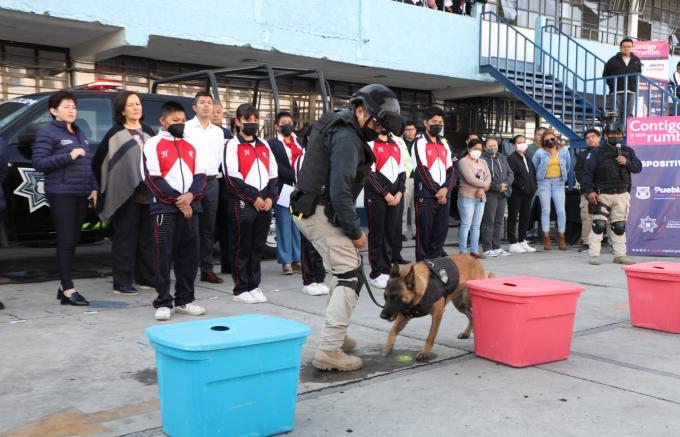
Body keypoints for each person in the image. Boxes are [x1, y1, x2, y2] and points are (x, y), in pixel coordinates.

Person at [291, 83, 402, 371]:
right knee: (350, 276)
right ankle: (330, 349)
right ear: (360, 109)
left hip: (313, 208)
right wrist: (355, 231)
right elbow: (340, 190)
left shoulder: (342, 126)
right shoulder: (346, 138)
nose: (378, 130)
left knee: (342, 273)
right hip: (321, 211)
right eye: (377, 122)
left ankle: (335, 337)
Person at [32, 90, 98, 306]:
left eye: (74, 107)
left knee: (72, 241)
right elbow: (39, 163)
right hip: (61, 194)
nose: (72, 110)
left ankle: (64, 287)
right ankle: (69, 290)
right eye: (66, 107)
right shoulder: (48, 132)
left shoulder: (78, 131)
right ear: (54, 111)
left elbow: (87, 162)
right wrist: (68, 155)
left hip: (80, 193)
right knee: (66, 241)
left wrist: (93, 187)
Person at [144, 101, 207, 321]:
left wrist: (190, 197)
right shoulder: (152, 144)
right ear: (163, 121)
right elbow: (153, 178)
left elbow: (201, 176)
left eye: (182, 121)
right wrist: (178, 202)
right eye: (174, 121)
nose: (179, 125)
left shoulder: (192, 144)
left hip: (191, 207)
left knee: (189, 257)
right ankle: (163, 301)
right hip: (164, 209)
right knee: (163, 256)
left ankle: (185, 300)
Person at [93, 91, 156, 296]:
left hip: (148, 194)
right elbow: (99, 163)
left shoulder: (149, 132)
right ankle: (121, 283)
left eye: (138, 104)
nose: (136, 108)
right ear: (122, 110)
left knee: (147, 239)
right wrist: (99, 189)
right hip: (124, 195)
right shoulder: (114, 134)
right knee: (125, 239)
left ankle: (146, 278)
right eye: (131, 105)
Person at [224, 103, 278, 304]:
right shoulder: (232, 145)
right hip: (244, 202)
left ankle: (254, 285)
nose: (252, 124)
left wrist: (271, 197)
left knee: (257, 247)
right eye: (248, 121)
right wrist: (253, 198)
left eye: (255, 120)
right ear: (238, 122)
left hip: (265, 202)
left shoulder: (264, 144)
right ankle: (240, 288)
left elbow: (274, 174)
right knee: (241, 247)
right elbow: (232, 177)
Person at [582, 117, 641, 265]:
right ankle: (594, 255)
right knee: (599, 224)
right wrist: (589, 191)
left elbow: (638, 167)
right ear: (606, 136)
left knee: (619, 226)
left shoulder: (628, 151)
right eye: (612, 134)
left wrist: (626, 162)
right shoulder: (597, 152)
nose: (616, 136)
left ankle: (620, 255)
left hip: (622, 194)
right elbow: (587, 173)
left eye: (619, 134)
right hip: (602, 194)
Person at [184, 92, 225, 284]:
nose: (206, 106)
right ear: (194, 107)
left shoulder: (218, 132)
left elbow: (219, 158)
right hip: (191, 182)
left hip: (211, 182)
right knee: (189, 227)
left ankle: (207, 269)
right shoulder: (186, 128)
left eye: (209, 103)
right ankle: (187, 268)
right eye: (202, 103)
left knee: (208, 228)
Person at [413, 106, 456, 261]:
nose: (437, 124)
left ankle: (436, 264)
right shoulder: (419, 143)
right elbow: (422, 170)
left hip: (444, 195)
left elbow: (451, 170)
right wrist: (437, 191)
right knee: (424, 234)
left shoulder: (444, 144)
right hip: (426, 195)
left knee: (440, 232)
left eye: (440, 122)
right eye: (434, 122)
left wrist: (445, 189)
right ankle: (423, 266)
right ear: (426, 123)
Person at [365, 129, 405, 288]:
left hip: (395, 196)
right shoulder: (370, 144)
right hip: (376, 197)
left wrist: (400, 192)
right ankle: (376, 272)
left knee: (390, 233)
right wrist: (385, 193)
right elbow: (369, 173)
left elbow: (402, 172)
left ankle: (387, 270)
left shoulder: (397, 144)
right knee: (377, 234)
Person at [268, 111, 303, 275]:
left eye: (289, 121)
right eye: (283, 122)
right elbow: (274, 165)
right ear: (276, 126)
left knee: (298, 224)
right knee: (284, 224)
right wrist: (293, 175)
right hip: (283, 188)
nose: (287, 124)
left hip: (300, 189)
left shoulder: (299, 141)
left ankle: (297, 259)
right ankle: (286, 261)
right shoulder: (273, 143)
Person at [293, 148, 329, 296]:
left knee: (321, 243)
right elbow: (299, 181)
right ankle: (309, 280)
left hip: (323, 204)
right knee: (308, 243)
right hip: (307, 204)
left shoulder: (327, 156)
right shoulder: (303, 158)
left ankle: (320, 278)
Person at [532, 129, 571, 251]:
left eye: (552, 139)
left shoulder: (564, 151)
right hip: (544, 183)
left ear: (556, 138)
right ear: (543, 141)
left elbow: (568, 166)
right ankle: (546, 237)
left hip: (559, 183)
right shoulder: (539, 152)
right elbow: (534, 167)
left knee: (561, 211)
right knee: (546, 210)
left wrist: (562, 178)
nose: (550, 141)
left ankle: (561, 237)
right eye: (547, 140)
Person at [457, 138, 491, 258]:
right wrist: (486, 185)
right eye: (474, 149)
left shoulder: (483, 161)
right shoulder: (463, 162)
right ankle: (463, 251)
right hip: (467, 197)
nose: (477, 151)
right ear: (468, 148)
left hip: (481, 197)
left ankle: (474, 250)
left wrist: (483, 188)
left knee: (476, 225)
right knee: (466, 225)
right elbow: (470, 178)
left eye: (480, 149)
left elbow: (488, 177)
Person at [480, 136, 514, 257]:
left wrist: (507, 183)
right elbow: (484, 176)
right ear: (484, 147)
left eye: (495, 145)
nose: (493, 148)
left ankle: (497, 246)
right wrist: (496, 186)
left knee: (498, 221)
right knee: (489, 220)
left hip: (503, 193)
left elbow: (510, 173)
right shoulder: (482, 159)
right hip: (491, 193)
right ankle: (487, 247)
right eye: (490, 146)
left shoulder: (502, 158)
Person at [506, 134, 537, 254]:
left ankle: (522, 240)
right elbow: (511, 176)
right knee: (513, 217)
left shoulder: (527, 157)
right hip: (516, 193)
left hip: (529, 193)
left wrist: (534, 187)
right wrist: (522, 187)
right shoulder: (511, 158)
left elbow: (532, 173)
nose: (522, 144)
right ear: (514, 145)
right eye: (519, 142)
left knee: (525, 217)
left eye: (524, 142)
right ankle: (513, 242)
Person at [212, 100, 233, 275]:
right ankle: (205, 266)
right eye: (214, 111)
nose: (217, 114)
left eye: (220, 112)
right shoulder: (203, 133)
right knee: (209, 226)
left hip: (226, 184)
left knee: (227, 225)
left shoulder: (228, 134)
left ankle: (228, 263)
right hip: (210, 181)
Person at [575, 128, 602, 252]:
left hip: (605, 190)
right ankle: (586, 242)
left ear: (599, 137)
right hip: (587, 191)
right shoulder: (582, 155)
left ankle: (613, 243)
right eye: (587, 138)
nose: (590, 139)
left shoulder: (605, 152)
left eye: (593, 136)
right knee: (587, 217)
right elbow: (579, 173)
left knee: (610, 218)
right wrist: (588, 189)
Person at [602, 38, 641, 119]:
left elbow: (638, 73)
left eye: (629, 46)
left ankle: (626, 131)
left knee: (629, 114)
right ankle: (617, 131)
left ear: (632, 48)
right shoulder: (612, 60)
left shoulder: (636, 60)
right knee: (616, 114)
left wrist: (633, 85)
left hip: (631, 91)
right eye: (624, 46)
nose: (626, 48)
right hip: (616, 91)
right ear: (620, 48)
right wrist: (612, 85)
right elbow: (605, 75)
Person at [400, 121, 418, 241]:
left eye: (412, 129)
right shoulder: (401, 143)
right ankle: (402, 232)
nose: (409, 131)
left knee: (416, 208)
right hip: (406, 179)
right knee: (404, 208)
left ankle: (416, 233)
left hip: (419, 179)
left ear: (416, 130)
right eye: (407, 129)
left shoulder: (420, 143)